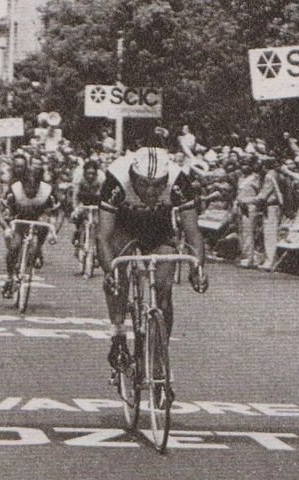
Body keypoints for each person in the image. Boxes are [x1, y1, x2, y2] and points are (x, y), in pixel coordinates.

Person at [96, 130, 209, 385]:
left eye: (158, 185)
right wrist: (109, 271)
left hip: (158, 228)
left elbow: (193, 233)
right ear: (132, 177)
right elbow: (102, 236)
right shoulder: (116, 178)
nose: (150, 190)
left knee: (164, 288)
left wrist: (197, 269)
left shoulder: (180, 181)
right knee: (117, 271)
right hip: (123, 227)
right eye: (143, 184)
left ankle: (158, 356)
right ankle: (118, 334)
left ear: (167, 178)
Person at [0, 157, 62, 298]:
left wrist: (55, 230)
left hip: (39, 222)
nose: (30, 189)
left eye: (34, 186)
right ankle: (9, 277)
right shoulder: (15, 189)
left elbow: (60, 212)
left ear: (39, 183)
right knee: (14, 247)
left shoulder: (47, 191)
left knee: (42, 228)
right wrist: (6, 227)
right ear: (23, 183)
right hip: (20, 220)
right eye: (27, 186)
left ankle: (37, 252)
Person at [70, 158, 105, 248]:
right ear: (84, 172)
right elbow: (75, 195)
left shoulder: (101, 178)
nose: (90, 176)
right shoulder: (78, 177)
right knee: (78, 215)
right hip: (82, 197)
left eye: (93, 173)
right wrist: (76, 208)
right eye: (88, 173)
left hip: (96, 198)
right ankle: (77, 232)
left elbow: (103, 196)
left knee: (98, 219)